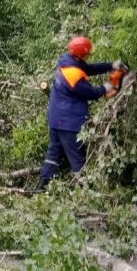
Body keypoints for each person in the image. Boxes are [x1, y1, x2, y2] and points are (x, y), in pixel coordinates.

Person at [33, 36, 127, 193]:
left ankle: (40, 188)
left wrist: (111, 65)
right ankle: (84, 193)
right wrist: (107, 86)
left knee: (53, 155)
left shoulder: (67, 61)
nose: (89, 56)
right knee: (77, 159)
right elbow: (90, 92)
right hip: (68, 122)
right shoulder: (74, 76)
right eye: (88, 53)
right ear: (82, 53)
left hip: (56, 120)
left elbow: (88, 69)